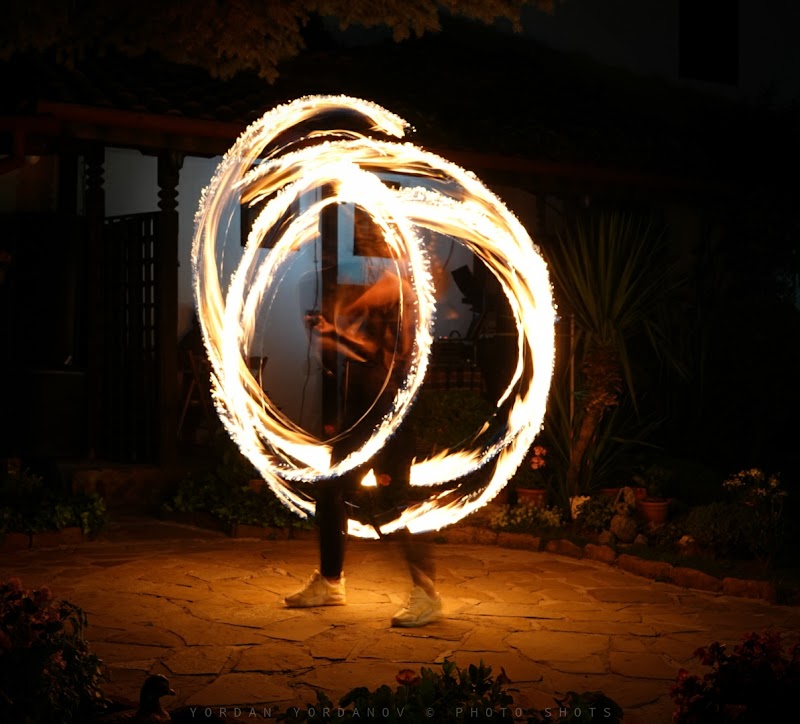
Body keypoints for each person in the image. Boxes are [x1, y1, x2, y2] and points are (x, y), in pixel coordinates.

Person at [284, 262, 441, 628]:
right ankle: (330, 582)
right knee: (330, 493)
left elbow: (380, 356)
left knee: (395, 505)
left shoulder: (400, 300)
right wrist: (333, 333)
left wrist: (337, 330)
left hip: (387, 420)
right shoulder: (377, 303)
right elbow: (359, 352)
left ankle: (427, 594)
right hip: (359, 418)